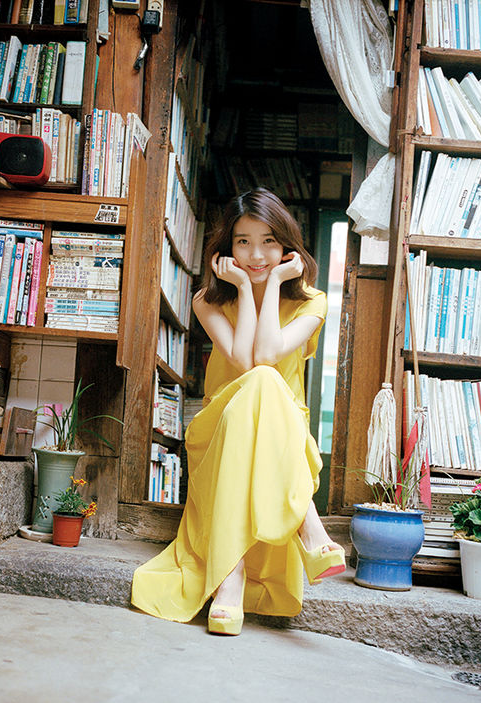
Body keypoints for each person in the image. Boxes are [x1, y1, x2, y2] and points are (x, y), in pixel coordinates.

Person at [131, 187, 345, 636]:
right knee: (262, 379)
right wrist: (246, 289)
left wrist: (272, 290)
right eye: (243, 241)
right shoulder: (207, 301)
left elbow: (267, 351)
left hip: (281, 438)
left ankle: (231, 582)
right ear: (226, 248)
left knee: (267, 383)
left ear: (287, 246)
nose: (256, 254)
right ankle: (310, 529)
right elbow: (248, 363)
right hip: (220, 430)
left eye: (268, 240)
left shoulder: (312, 301)